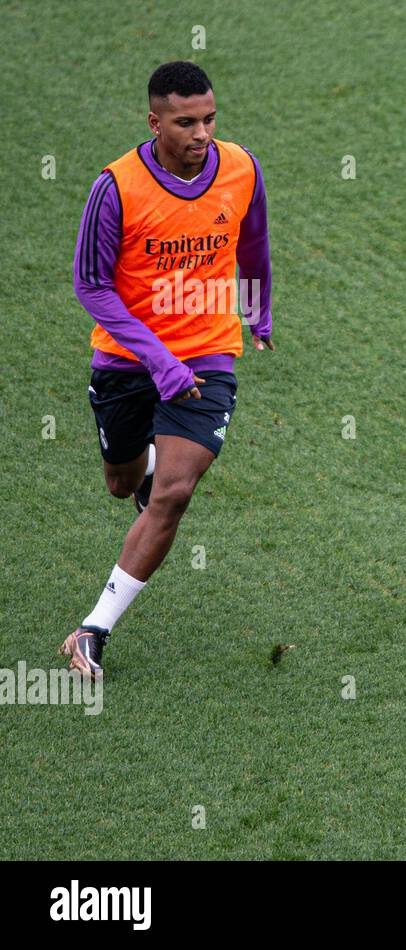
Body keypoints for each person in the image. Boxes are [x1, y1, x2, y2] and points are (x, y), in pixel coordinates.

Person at [64, 61, 273, 680]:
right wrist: (157, 361)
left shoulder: (241, 168)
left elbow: (252, 241)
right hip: (128, 360)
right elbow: (92, 287)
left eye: (209, 118)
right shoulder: (117, 188)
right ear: (155, 121)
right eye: (186, 122)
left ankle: (92, 629)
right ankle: (146, 464)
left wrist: (258, 313)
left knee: (176, 493)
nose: (202, 132)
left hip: (207, 353)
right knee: (122, 483)